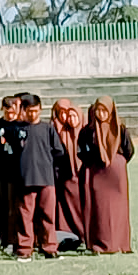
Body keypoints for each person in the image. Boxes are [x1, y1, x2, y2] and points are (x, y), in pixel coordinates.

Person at [5, 93, 63, 260]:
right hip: (25, 179)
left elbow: (58, 152)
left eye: (36, 111)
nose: (33, 114)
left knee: (48, 215)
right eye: (29, 111)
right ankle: (24, 249)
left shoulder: (48, 129)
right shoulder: (17, 129)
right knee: (25, 216)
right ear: (24, 110)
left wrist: (50, 168)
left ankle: (50, 248)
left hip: (46, 179)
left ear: (40, 110)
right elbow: (10, 152)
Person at [77, 96, 134, 254]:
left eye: (104, 111)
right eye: (98, 111)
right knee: (98, 208)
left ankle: (120, 243)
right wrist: (94, 162)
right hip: (96, 173)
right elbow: (81, 151)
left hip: (116, 176)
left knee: (118, 209)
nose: (101, 114)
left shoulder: (120, 129)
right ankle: (99, 243)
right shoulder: (88, 131)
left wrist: (117, 162)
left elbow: (129, 150)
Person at [0, 95, 22, 252]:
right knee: (4, 204)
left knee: (17, 205)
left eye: (13, 110)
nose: (10, 113)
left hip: (20, 169)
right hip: (3, 169)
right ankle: (4, 236)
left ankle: (16, 237)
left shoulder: (22, 125)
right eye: (7, 110)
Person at [50, 98, 84, 250]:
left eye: (67, 113)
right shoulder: (53, 129)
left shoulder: (77, 130)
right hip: (59, 175)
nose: (64, 117)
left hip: (76, 176)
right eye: (61, 113)